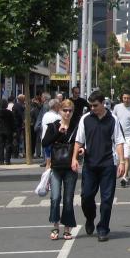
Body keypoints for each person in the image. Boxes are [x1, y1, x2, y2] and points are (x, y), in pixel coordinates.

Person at [72, 91, 125, 242]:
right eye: (90, 106)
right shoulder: (85, 119)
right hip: (90, 164)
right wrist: (74, 158)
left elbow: (119, 141)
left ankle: (103, 228)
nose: (92, 108)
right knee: (86, 196)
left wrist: (121, 162)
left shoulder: (112, 119)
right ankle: (90, 217)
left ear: (103, 103)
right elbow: (78, 140)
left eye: (95, 105)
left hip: (108, 164)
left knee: (107, 200)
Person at [44, 99, 79, 240]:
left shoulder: (76, 127)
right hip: (56, 166)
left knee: (68, 199)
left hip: (70, 167)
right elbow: (45, 142)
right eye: (65, 110)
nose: (67, 113)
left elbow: (81, 142)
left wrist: (81, 150)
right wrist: (58, 133)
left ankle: (67, 228)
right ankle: (55, 226)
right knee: (55, 197)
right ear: (60, 111)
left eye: (70, 110)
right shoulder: (53, 126)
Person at [112, 92, 130, 187]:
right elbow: (112, 120)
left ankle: (124, 177)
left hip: (129, 137)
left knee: (126, 156)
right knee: (119, 157)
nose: (126, 100)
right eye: (124, 98)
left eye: (128, 98)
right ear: (122, 98)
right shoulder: (117, 107)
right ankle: (126, 175)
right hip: (118, 136)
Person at [40, 99, 61, 168]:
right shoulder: (57, 117)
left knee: (48, 161)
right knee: (53, 162)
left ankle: (47, 175)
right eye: (59, 105)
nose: (60, 107)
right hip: (53, 142)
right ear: (55, 106)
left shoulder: (45, 115)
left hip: (46, 140)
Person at [0, 99, 15, 165]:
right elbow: (13, 122)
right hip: (8, 130)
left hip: (1, 130)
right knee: (8, 145)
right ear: (6, 105)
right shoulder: (10, 113)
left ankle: (1, 160)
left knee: (0, 146)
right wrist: (14, 130)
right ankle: (7, 160)